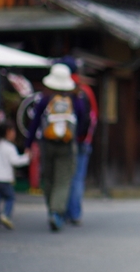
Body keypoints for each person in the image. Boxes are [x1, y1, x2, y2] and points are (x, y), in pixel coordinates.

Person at [25, 63, 90, 232]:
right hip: (67, 145)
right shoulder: (75, 99)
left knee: (48, 178)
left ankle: (51, 210)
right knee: (63, 180)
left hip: (47, 144)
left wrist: (28, 144)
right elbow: (84, 119)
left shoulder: (44, 98)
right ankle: (56, 212)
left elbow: (35, 123)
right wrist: (77, 136)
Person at [61, 57, 98, 226]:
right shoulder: (86, 91)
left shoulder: (61, 90)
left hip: (62, 140)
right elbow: (93, 118)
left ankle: (61, 211)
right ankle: (74, 213)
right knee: (77, 178)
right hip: (83, 141)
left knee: (63, 177)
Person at [0, 122, 30, 231]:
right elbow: (15, 161)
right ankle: (5, 214)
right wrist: (27, 158)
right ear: (8, 132)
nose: (14, 134)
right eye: (13, 131)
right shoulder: (9, 147)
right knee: (10, 197)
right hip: (4, 179)